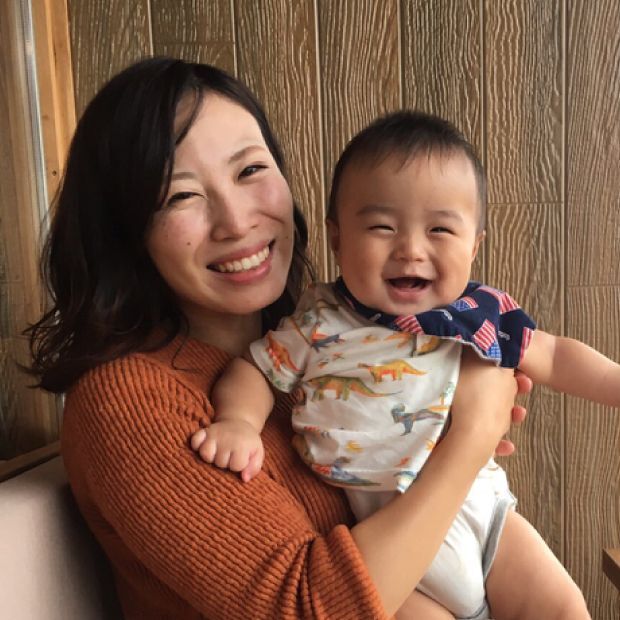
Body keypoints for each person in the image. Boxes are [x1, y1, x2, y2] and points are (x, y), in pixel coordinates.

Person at [26, 57, 531, 619]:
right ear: (124, 231)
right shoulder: (129, 400)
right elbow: (302, 609)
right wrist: (472, 435)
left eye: (249, 170)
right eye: (180, 196)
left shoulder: (316, 349)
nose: (236, 222)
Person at [191, 111, 609, 619]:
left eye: (440, 229)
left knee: (564, 607)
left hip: (484, 512)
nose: (411, 250)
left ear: (474, 245)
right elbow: (255, 370)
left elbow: (556, 354)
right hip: (385, 534)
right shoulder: (320, 321)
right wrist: (239, 422)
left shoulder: (477, 314)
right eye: (382, 227)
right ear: (338, 238)